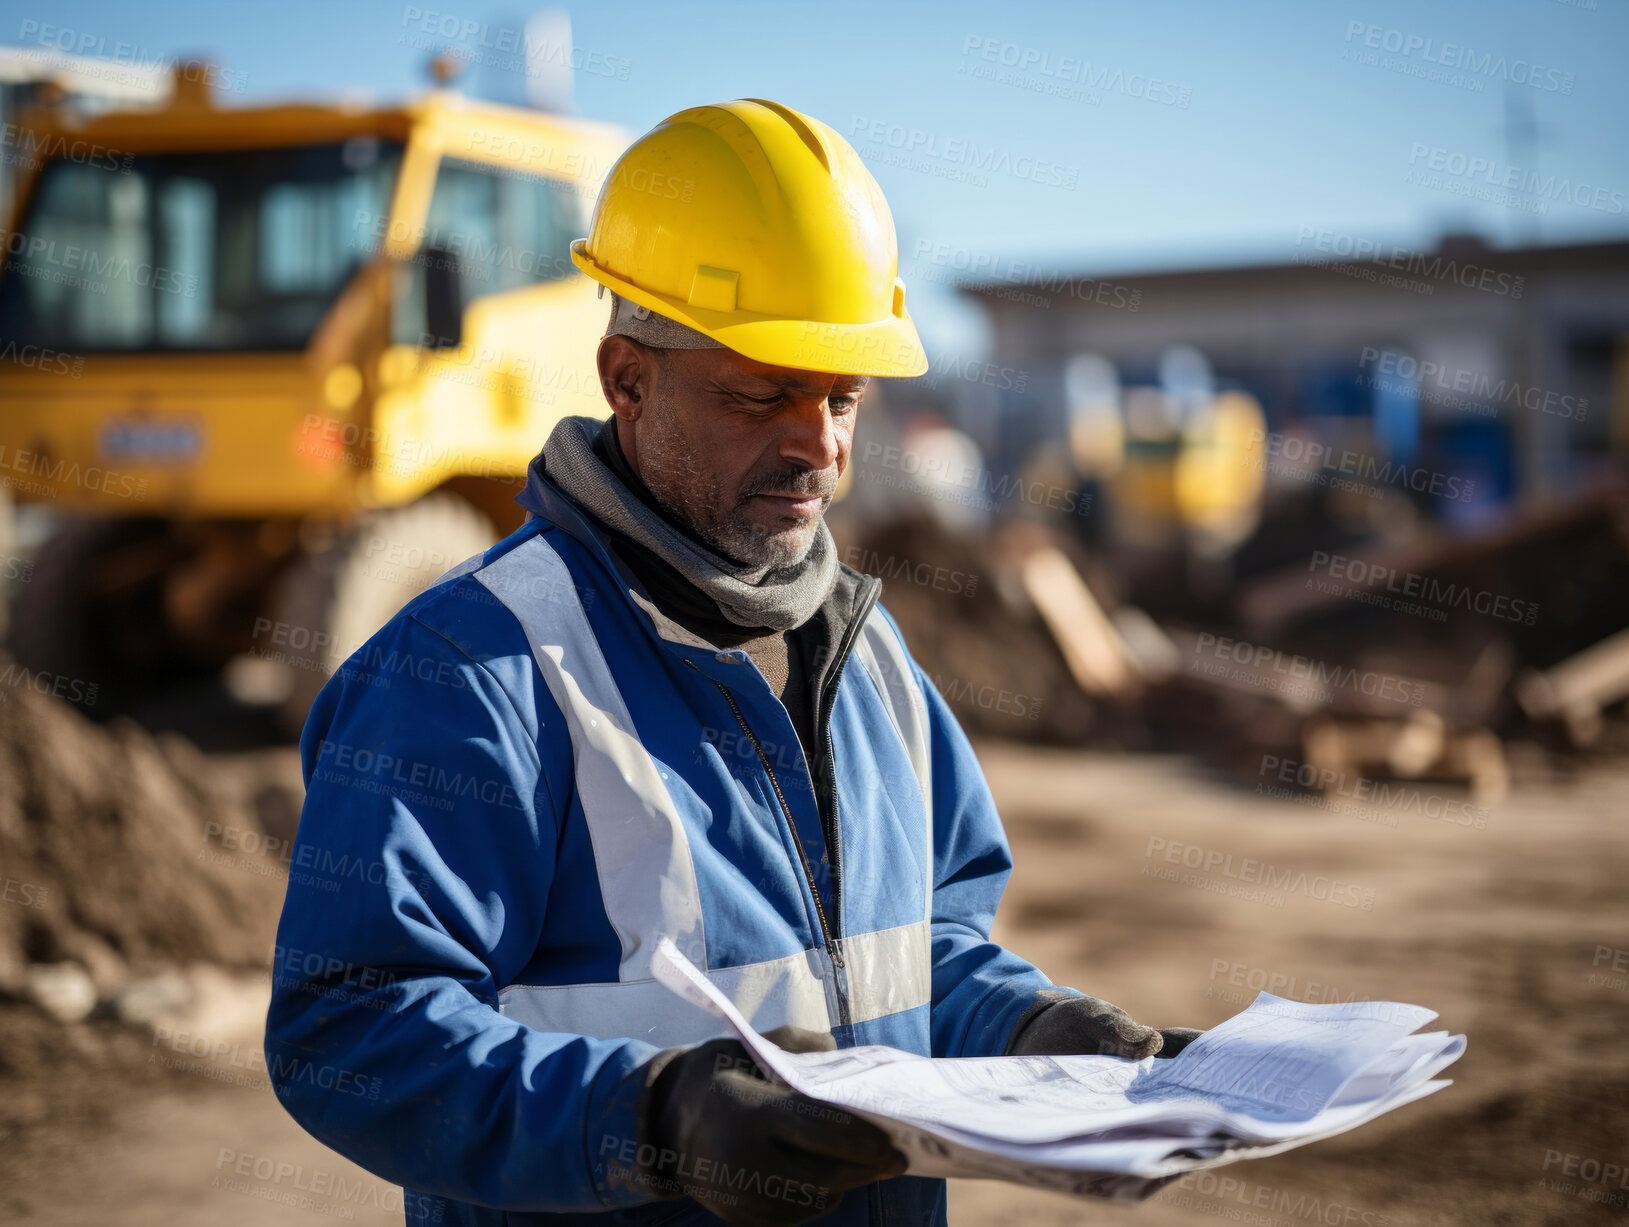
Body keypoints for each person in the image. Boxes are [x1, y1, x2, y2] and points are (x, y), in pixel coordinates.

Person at [266, 97, 1197, 1227]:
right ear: (628, 380)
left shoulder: (871, 655)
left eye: (842, 398)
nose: (821, 446)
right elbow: (352, 1030)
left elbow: (920, 951)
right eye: (764, 394)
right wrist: (654, 1121)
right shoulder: (470, 671)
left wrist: (1034, 1027)